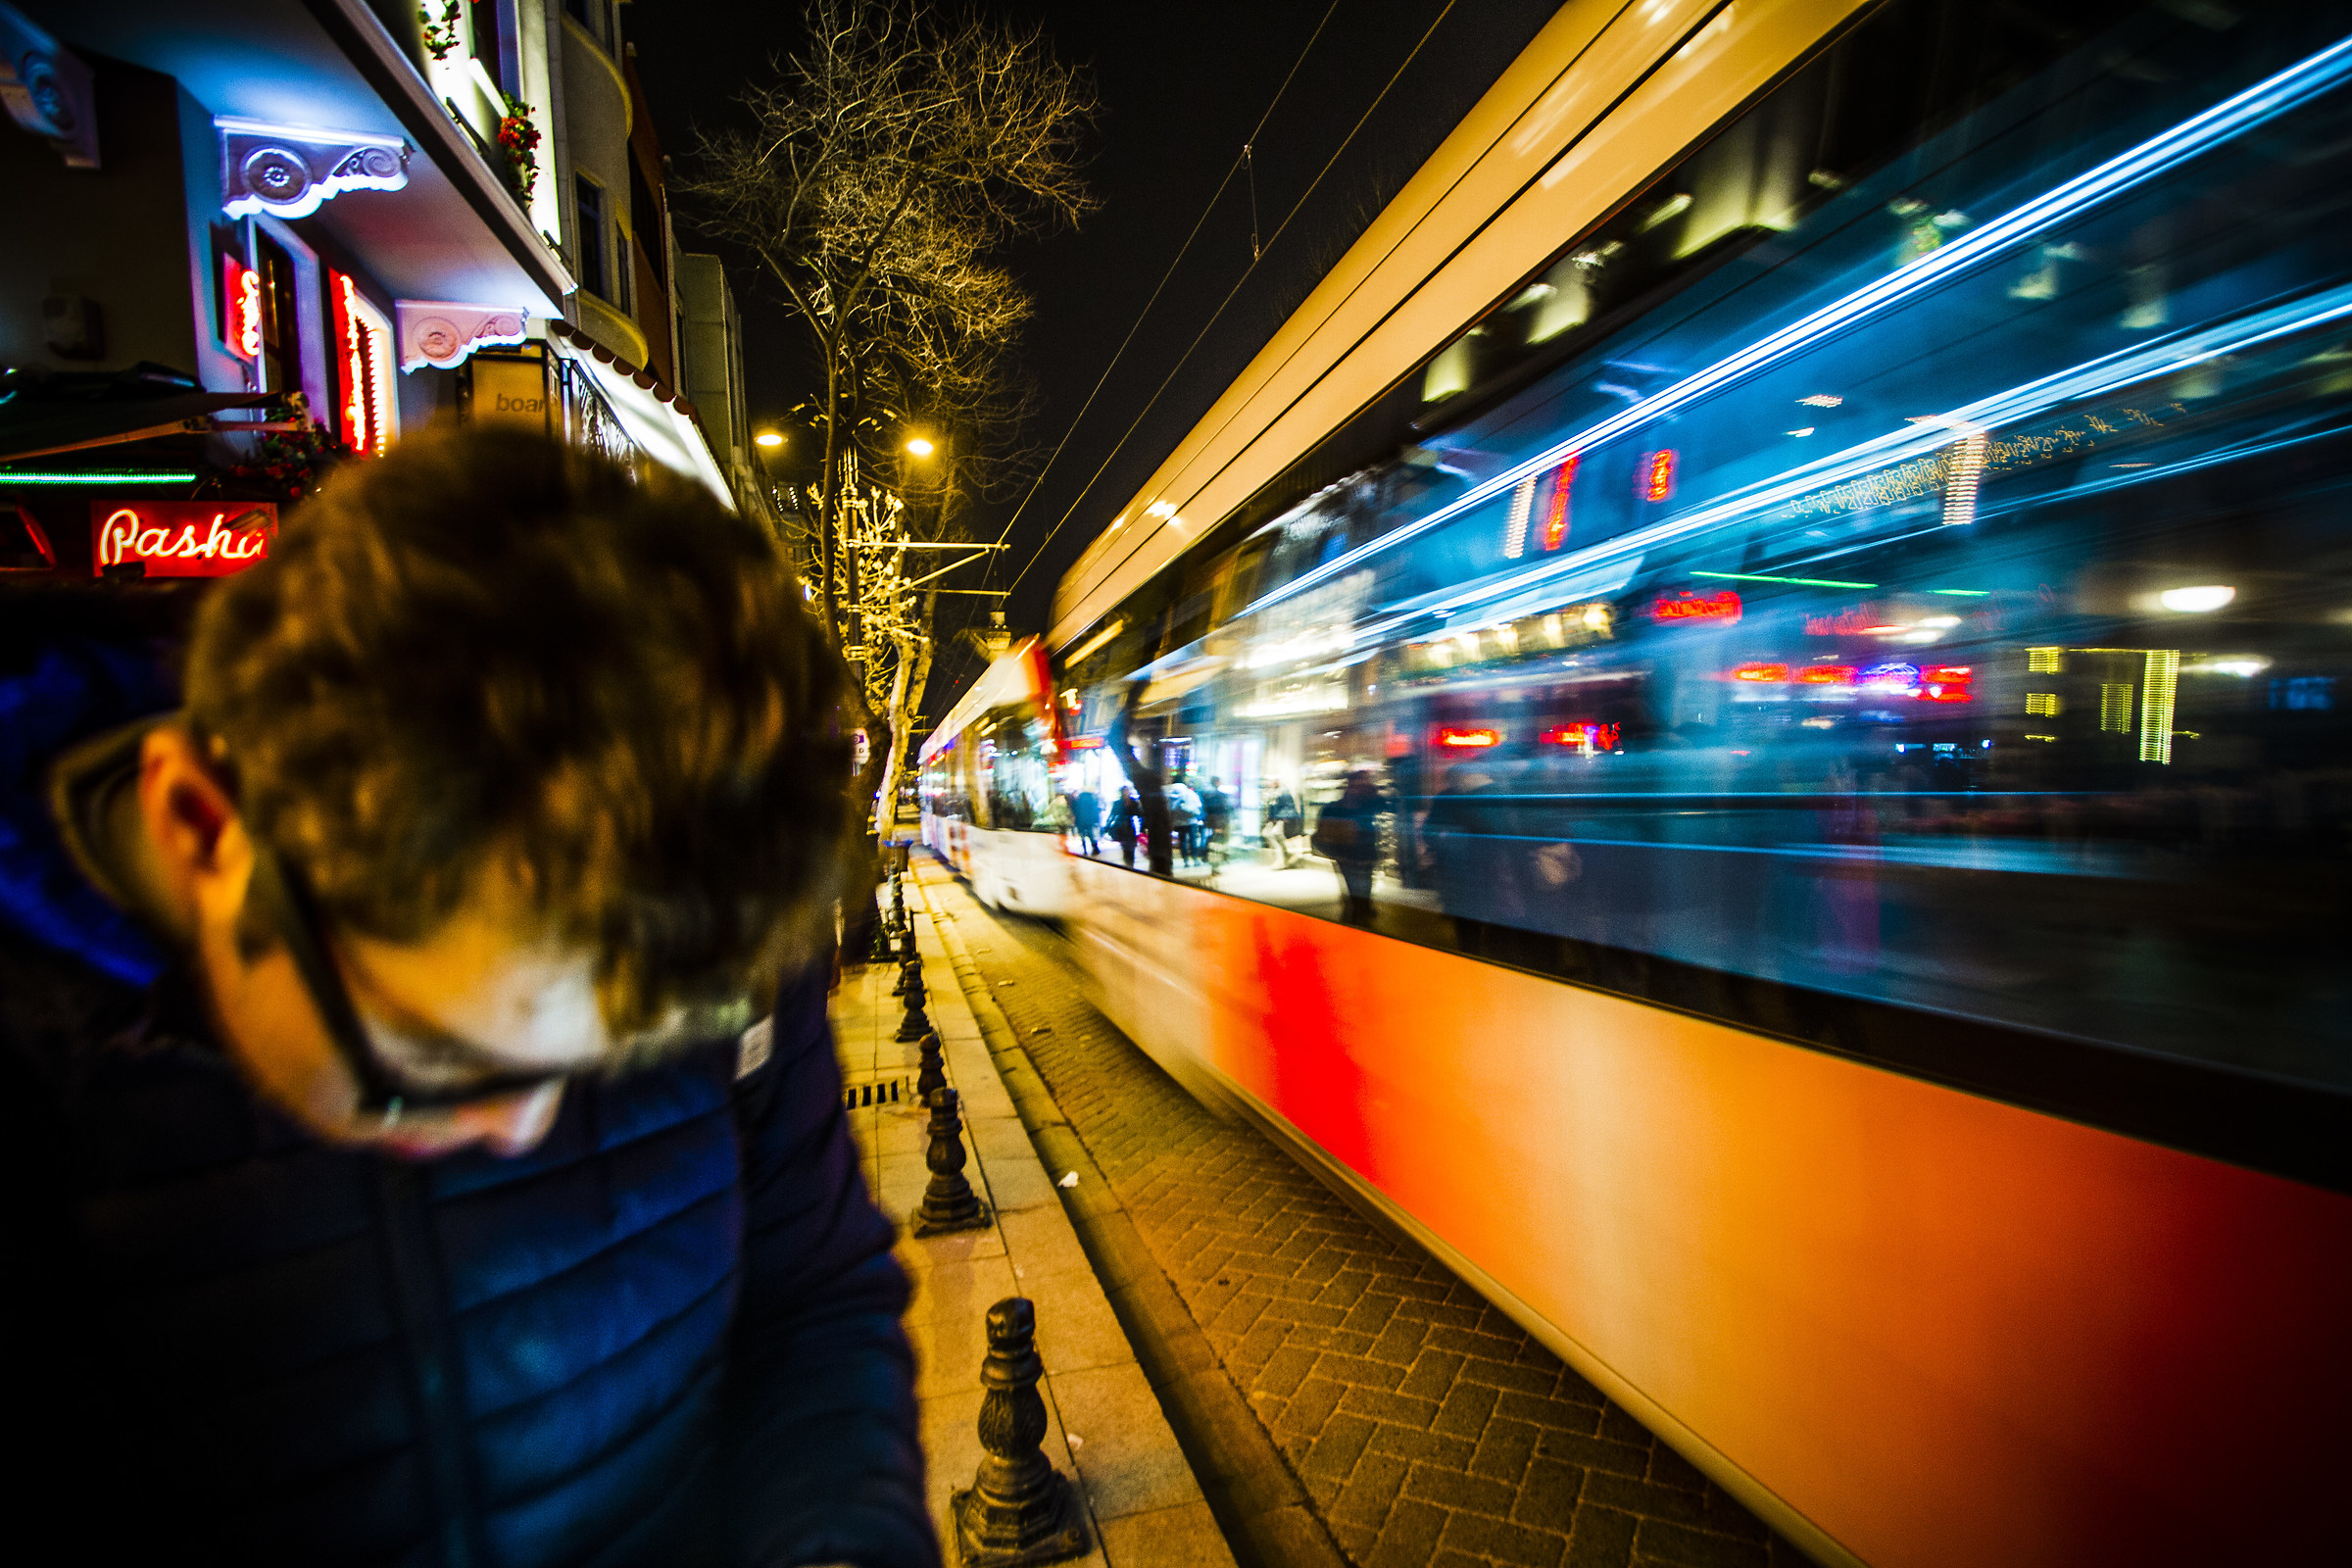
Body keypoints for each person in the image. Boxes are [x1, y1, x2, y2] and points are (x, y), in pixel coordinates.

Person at [0, 429, 933, 1568]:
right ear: (204, 827)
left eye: (620, 1054)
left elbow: (812, 1297)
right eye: (434, 1059)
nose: (524, 1128)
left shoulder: (701, 900)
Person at [1312, 769, 1389, 925]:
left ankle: (1363, 908)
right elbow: (1322, 833)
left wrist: (1371, 791)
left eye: (1363, 783)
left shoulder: (1368, 803)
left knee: (1366, 882)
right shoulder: (1335, 807)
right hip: (1346, 854)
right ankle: (1357, 912)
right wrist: (1333, 852)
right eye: (1357, 782)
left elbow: (1385, 806)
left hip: (1365, 853)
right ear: (1349, 785)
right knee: (1353, 885)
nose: (1359, 787)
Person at [1263, 779, 1305, 867]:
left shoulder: (1282, 791)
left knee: (1275, 833)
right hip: (1278, 818)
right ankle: (1285, 855)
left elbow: (1288, 806)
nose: (1268, 783)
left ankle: (1282, 859)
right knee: (1268, 833)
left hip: (1283, 818)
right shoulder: (1274, 791)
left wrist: (1281, 817)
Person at [1165, 772, 1202, 866]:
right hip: (1191, 821)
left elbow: (1169, 809)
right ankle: (1195, 860)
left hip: (1179, 823)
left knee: (1183, 842)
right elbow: (1198, 805)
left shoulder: (1171, 795)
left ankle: (1185, 861)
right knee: (1192, 841)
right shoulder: (1190, 793)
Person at [1199, 774, 1232, 866]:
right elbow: (1225, 808)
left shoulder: (1205, 794)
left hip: (1209, 820)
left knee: (1209, 839)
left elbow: (1204, 808)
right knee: (1218, 841)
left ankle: (1206, 856)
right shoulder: (1220, 795)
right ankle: (1218, 860)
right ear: (1217, 782)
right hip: (1219, 821)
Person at [1108, 783, 1145, 867]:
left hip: (1129, 828)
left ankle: (1130, 865)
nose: (1126, 792)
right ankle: (1129, 865)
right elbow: (1113, 815)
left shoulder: (1132, 802)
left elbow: (1139, 814)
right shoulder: (1119, 803)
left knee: (1130, 848)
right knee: (1126, 848)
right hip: (1123, 828)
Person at [1070, 785, 1103, 857]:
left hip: (1080, 821)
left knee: (1082, 836)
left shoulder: (1079, 799)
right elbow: (1095, 810)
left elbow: (1075, 810)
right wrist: (1095, 821)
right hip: (1089, 821)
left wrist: (1076, 821)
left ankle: (1085, 850)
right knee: (1090, 835)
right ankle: (1095, 848)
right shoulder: (1092, 798)